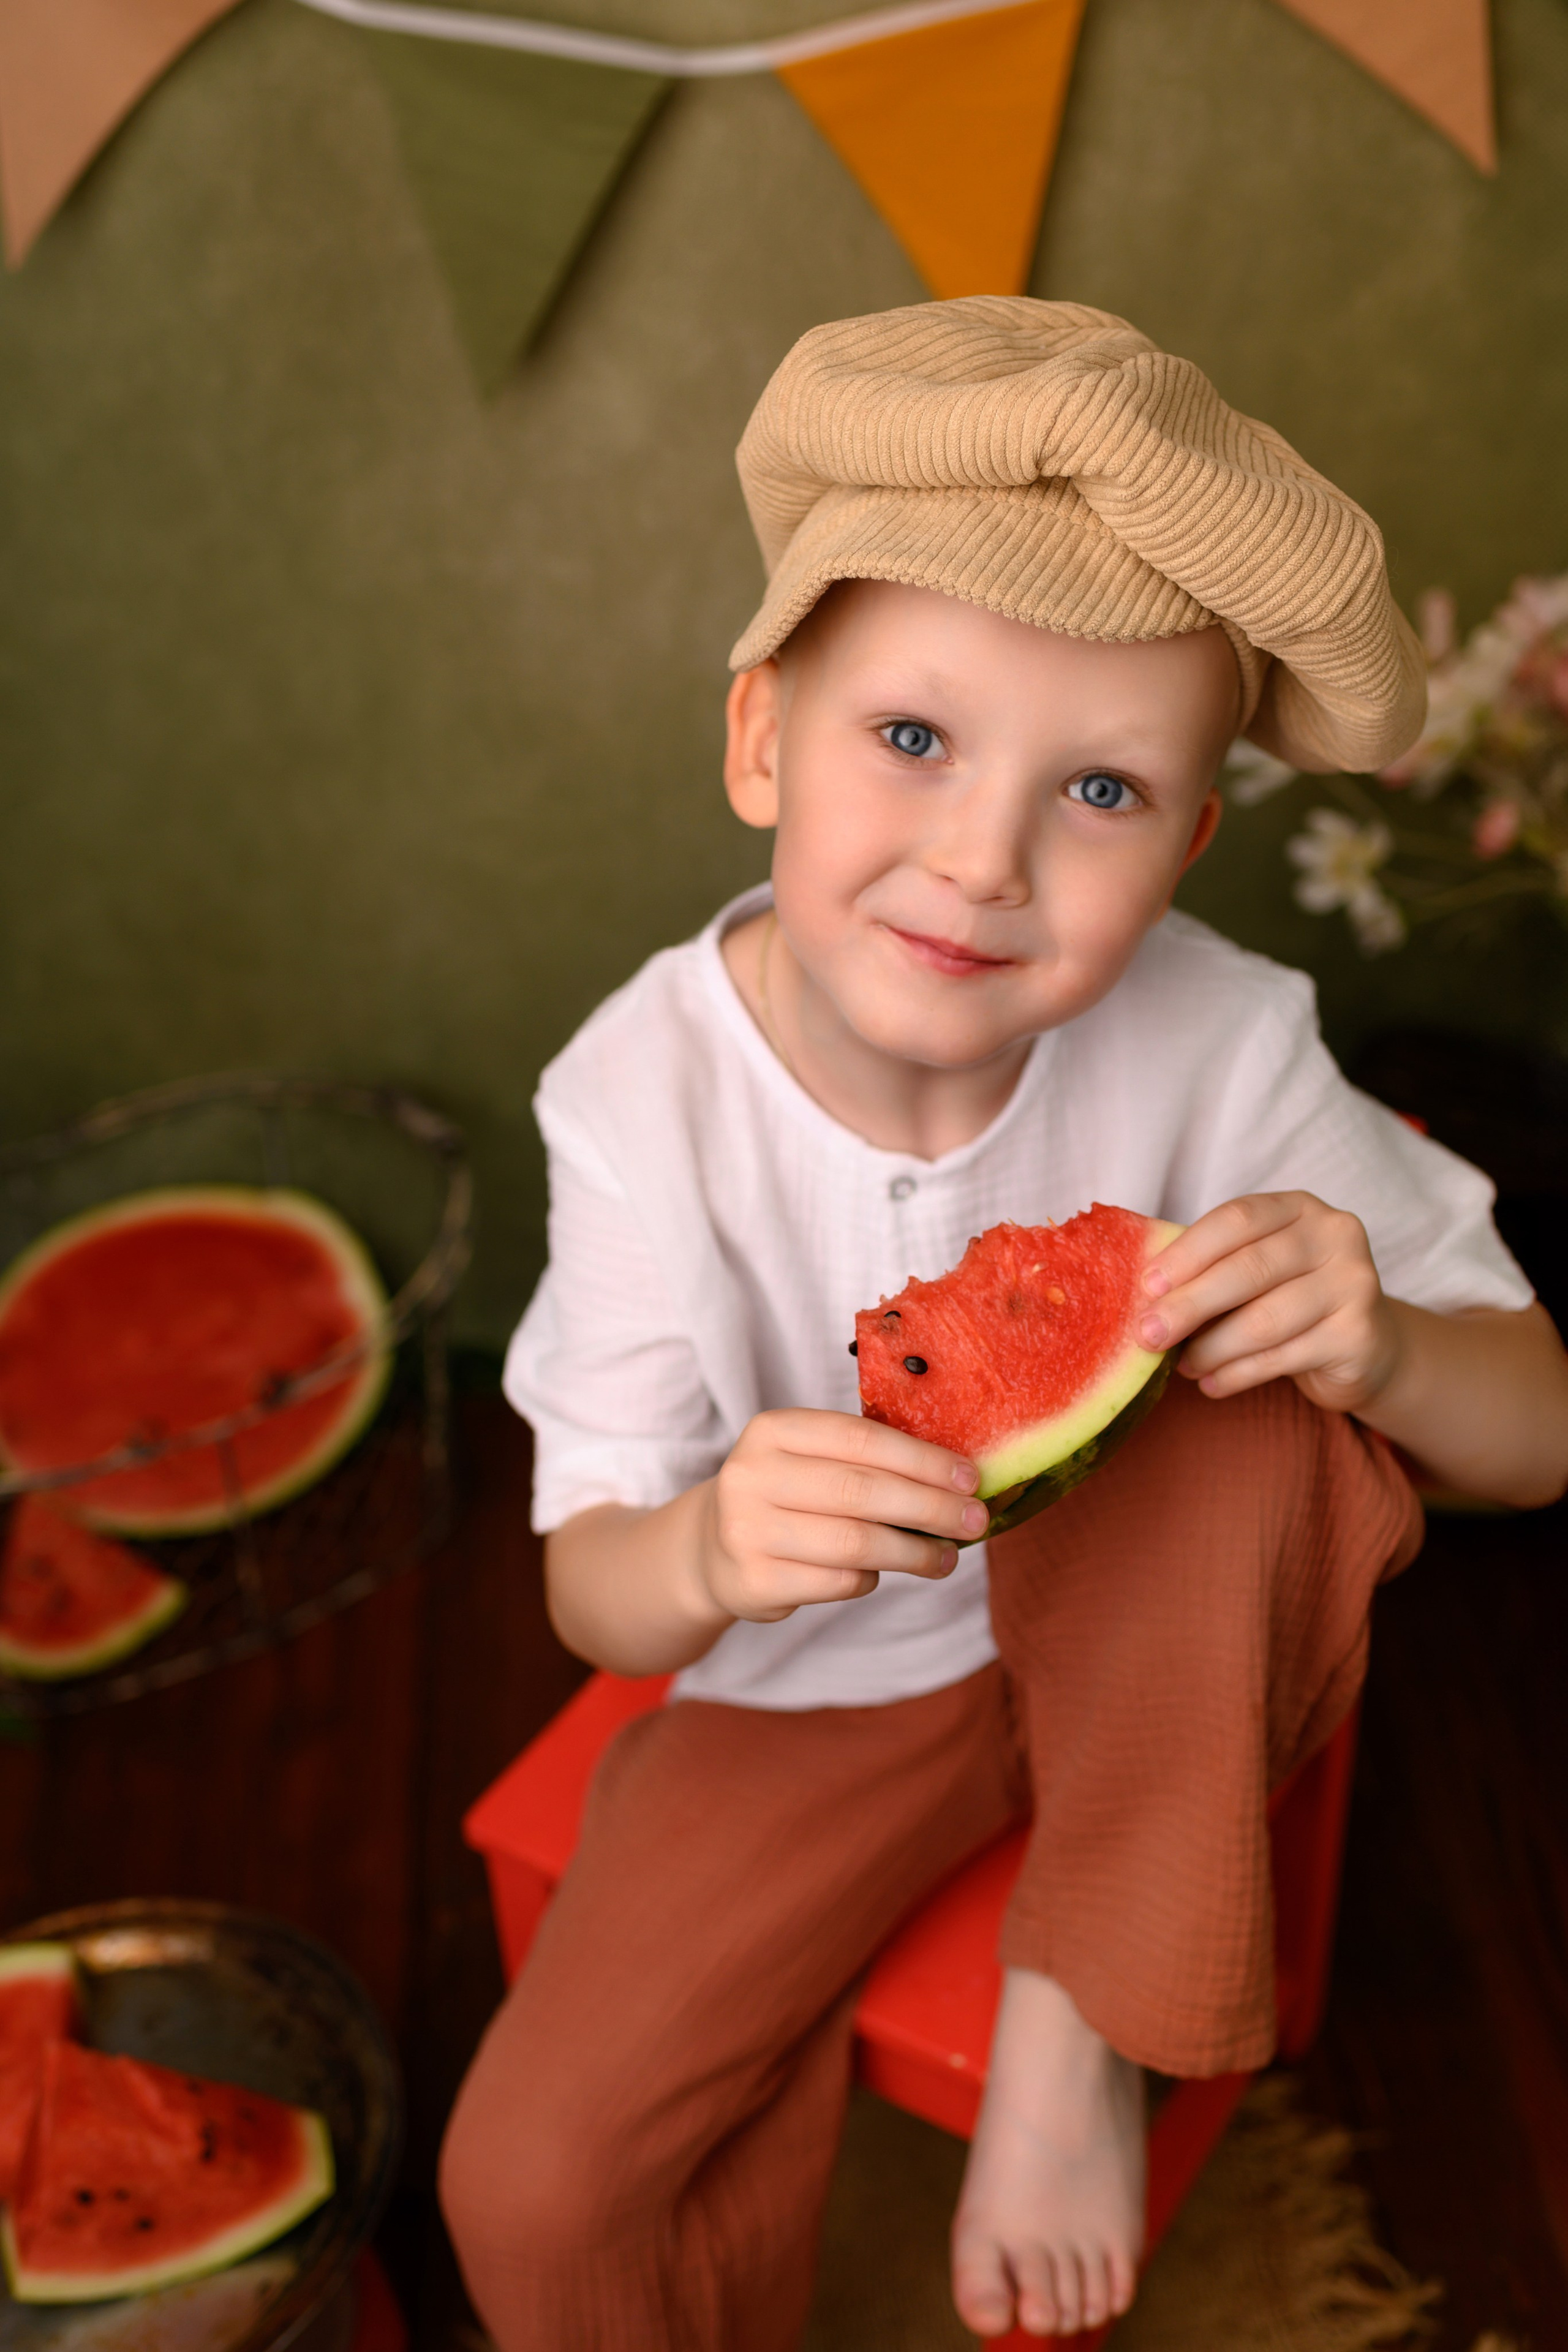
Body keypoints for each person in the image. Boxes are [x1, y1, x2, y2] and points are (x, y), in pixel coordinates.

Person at [440, 300, 1568, 2350]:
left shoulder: (1222, 1038)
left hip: (1166, 1663)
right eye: (911, 739)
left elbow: (1536, 1431)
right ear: (761, 731)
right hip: (821, 1697)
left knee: (1260, 1376)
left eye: (1107, 794)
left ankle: (1089, 2004)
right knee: (522, 2182)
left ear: (1195, 845)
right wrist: (701, 1551)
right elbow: (593, 1594)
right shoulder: (634, 1102)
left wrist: (1387, 1345)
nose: (984, 858)